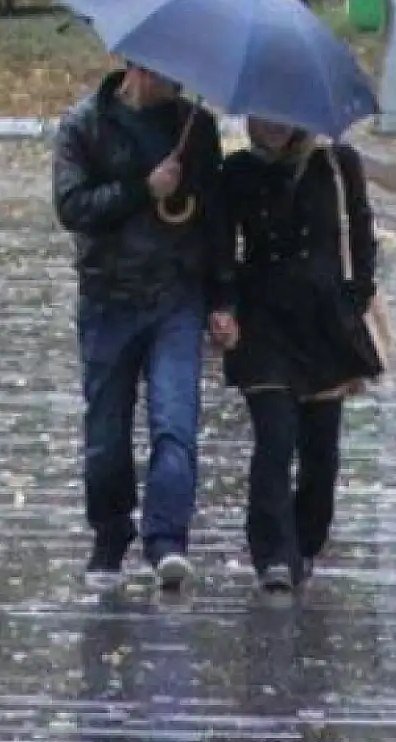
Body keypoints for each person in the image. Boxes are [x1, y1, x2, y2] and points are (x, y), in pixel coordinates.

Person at [52, 62, 238, 590]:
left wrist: (223, 296)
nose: (171, 82)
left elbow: (214, 218)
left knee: (175, 422)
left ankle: (167, 540)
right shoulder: (84, 125)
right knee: (107, 432)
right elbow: (72, 206)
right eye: (159, 72)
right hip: (108, 300)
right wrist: (142, 189)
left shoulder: (193, 128)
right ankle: (110, 536)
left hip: (176, 297)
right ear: (133, 67)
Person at [220, 120, 379, 600]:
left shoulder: (337, 164)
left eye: (277, 117)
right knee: (274, 439)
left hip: (324, 325)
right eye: (258, 117)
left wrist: (355, 297)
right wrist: (223, 304)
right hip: (264, 324)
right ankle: (272, 553)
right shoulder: (238, 172)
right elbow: (221, 248)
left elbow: (361, 235)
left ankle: (306, 541)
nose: (265, 126)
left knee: (321, 451)